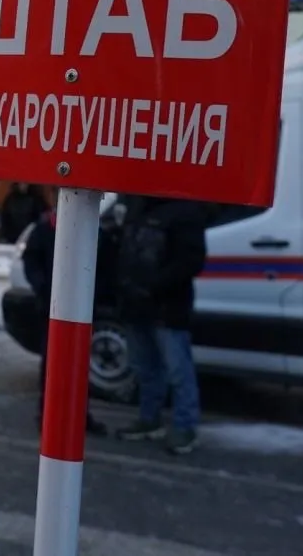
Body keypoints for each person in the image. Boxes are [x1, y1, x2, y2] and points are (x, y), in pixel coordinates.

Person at [112, 194, 208, 455]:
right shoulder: (138, 205)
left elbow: (191, 261)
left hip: (166, 306)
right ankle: (150, 418)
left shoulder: (184, 210)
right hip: (137, 303)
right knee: (145, 367)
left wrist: (154, 285)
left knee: (177, 369)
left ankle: (185, 426)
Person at [22, 207, 106, 436]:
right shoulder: (46, 228)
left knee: (80, 363)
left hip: (83, 306)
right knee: (52, 363)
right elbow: (31, 262)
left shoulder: (92, 228)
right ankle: (48, 414)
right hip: (52, 306)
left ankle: (80, 415)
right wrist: (43, 288)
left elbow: (104, 264)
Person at [0, 182, 48, 248]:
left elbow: (42, 216)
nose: (23, 185)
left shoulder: (36, 198)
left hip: (31, 238)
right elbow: (4, 218)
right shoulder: (11, 199)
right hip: (12, 238)